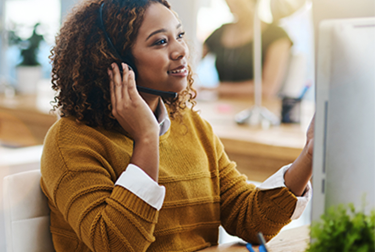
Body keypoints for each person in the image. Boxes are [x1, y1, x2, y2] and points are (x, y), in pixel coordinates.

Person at [40, 0, 313, 251]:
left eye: (179, 36)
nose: (181, 50)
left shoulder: (190, 125)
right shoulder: (70, 140)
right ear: (115, 61)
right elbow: (114, 244)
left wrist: (310, 154)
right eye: (160, 41)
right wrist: (146, 138)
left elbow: (249, 220)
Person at [202, 0, 292, 97]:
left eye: (238, 3)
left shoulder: (276, 35)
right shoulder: (220, 32)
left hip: (257, 107)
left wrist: (212, 89)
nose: (231, 5)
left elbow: (267, 89)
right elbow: (192, 57)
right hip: (222, 105)